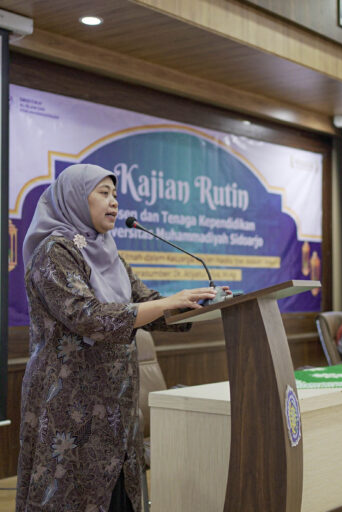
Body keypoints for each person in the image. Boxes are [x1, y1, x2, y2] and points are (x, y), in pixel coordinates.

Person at [16, 164, 223, 511]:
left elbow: (146, 302)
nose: (114, 202)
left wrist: (198, 305)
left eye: (115, 194)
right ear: (75, 198)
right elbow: (88, 316)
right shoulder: (55, 251)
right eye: (104, 193)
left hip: (116, 407)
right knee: (70, 496)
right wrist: (166, 303)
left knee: (118, 496)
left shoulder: (110, 254)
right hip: (70, 406)